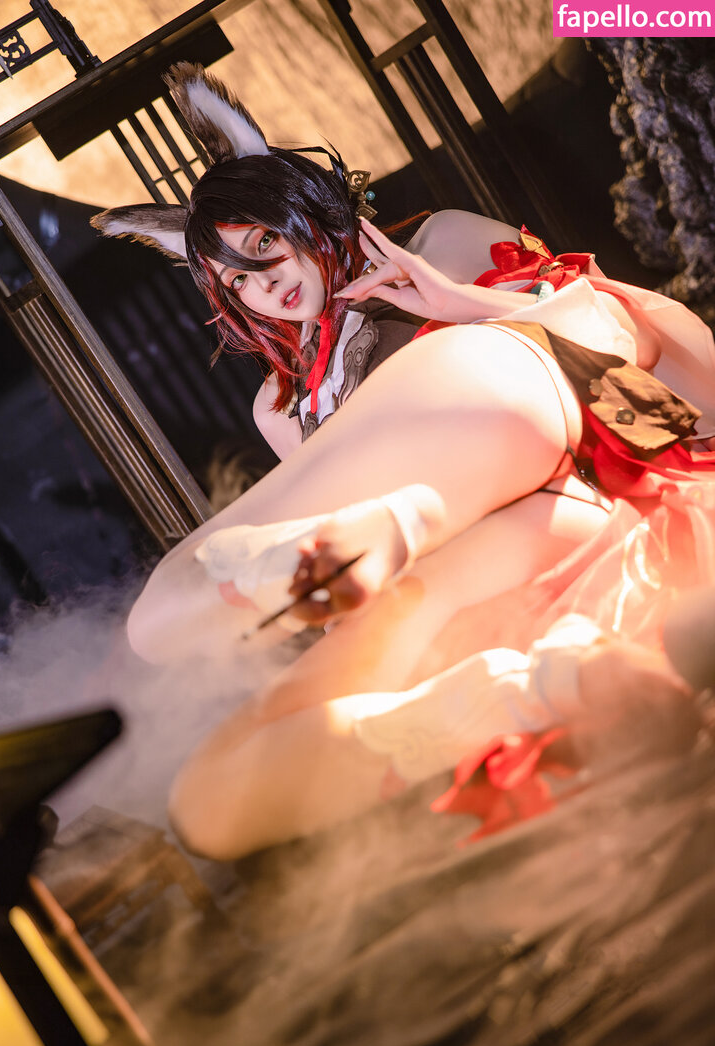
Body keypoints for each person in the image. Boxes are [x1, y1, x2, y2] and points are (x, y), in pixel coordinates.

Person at [93, 64, 715, 859]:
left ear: (305, 206)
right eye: (236, 280)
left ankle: (398, 533)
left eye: (265, 242)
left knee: (159, 619)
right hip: (503, 553)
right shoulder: (283, 404)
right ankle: (517, 678)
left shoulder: (440, 241)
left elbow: (618, 338)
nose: (264, 283)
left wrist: (458, 303)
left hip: (560, 441)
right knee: (211, 803)